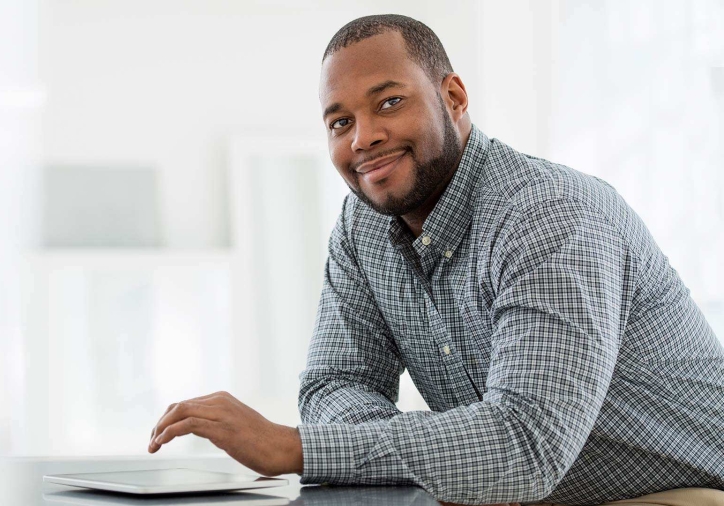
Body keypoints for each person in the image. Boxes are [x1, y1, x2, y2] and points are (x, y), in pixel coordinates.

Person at [147, 14, 724, 506]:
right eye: (340, 122)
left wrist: (295, 448)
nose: (363, 138)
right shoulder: (362, 228)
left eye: (389, 103)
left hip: (680, 493)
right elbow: (334, 386)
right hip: (515, 496)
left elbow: (527, 443)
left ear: (453, 98)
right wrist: (452, 454)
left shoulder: (550, 214)